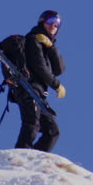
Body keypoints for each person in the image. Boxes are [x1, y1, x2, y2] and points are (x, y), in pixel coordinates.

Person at [15, 9, 66, 151]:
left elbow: (59, 70)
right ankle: (19, 158)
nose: (53, 26)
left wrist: (51, 47)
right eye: (50, 21)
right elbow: (39, 67)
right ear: (42, 22)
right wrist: (56, 85)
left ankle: (34, 160)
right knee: (32, 123)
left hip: (38, 93)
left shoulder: (46, 45)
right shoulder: (33, 39)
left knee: (52, 131)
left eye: (57, 24)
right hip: (28, 88)